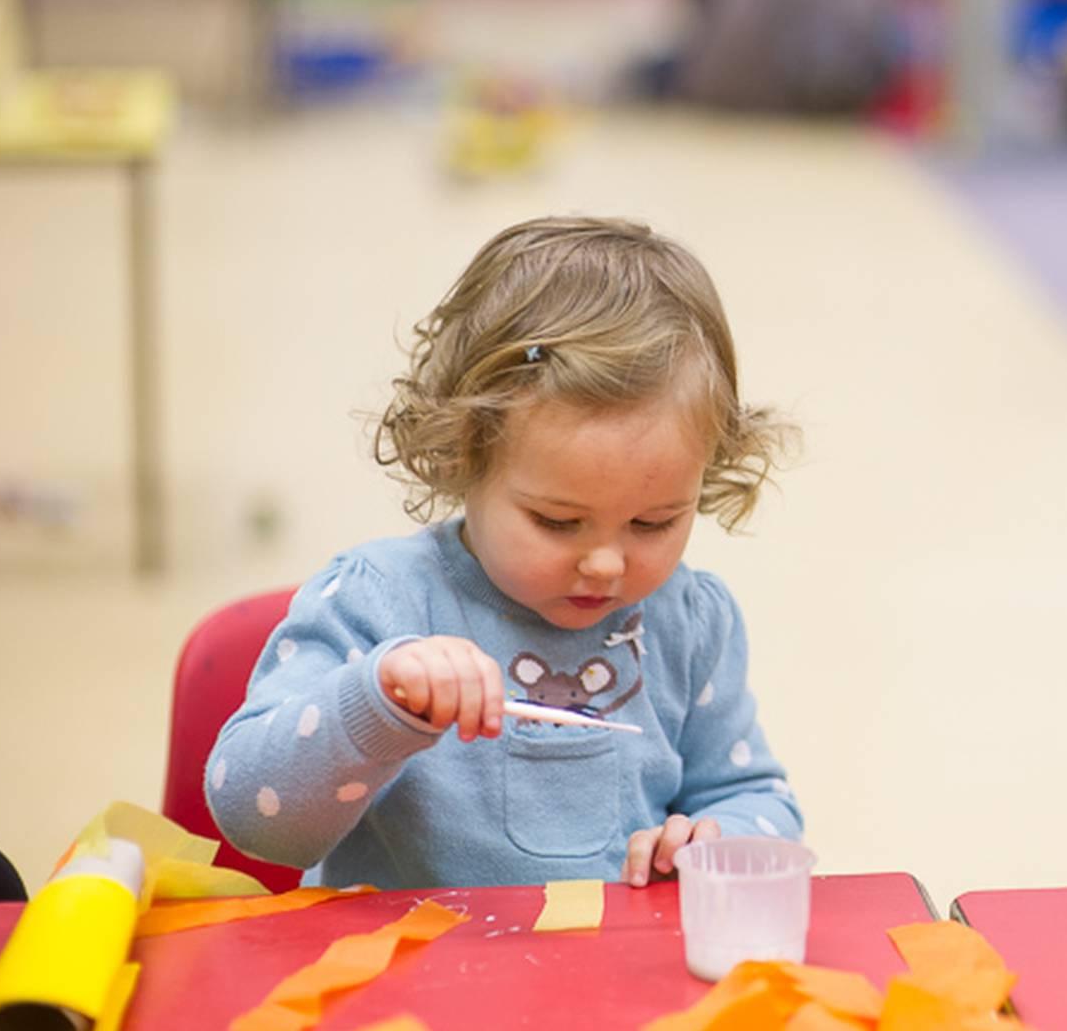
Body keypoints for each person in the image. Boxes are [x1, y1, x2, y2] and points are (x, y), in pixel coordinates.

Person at [207, 218, 801, 890]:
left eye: (653, 521)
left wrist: (716, 839)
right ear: (465, 457)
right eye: (557, 521)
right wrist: (378, 704)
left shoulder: (688, 622)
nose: (605, 563)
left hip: (613, 985)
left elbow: (758, 800)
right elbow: (255, 819)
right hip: (402, 980)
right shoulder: (379, 600)